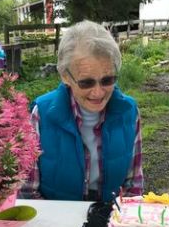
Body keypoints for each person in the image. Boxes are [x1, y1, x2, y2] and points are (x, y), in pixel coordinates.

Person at [21, 20, 143, 201]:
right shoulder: (41, 115)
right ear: (65, 76)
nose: (98, 92)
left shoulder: (129, 113)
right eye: (86, 82)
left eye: (107, 80)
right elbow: (28, 192)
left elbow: (134, 186)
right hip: (58, 221)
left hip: (112, 219)